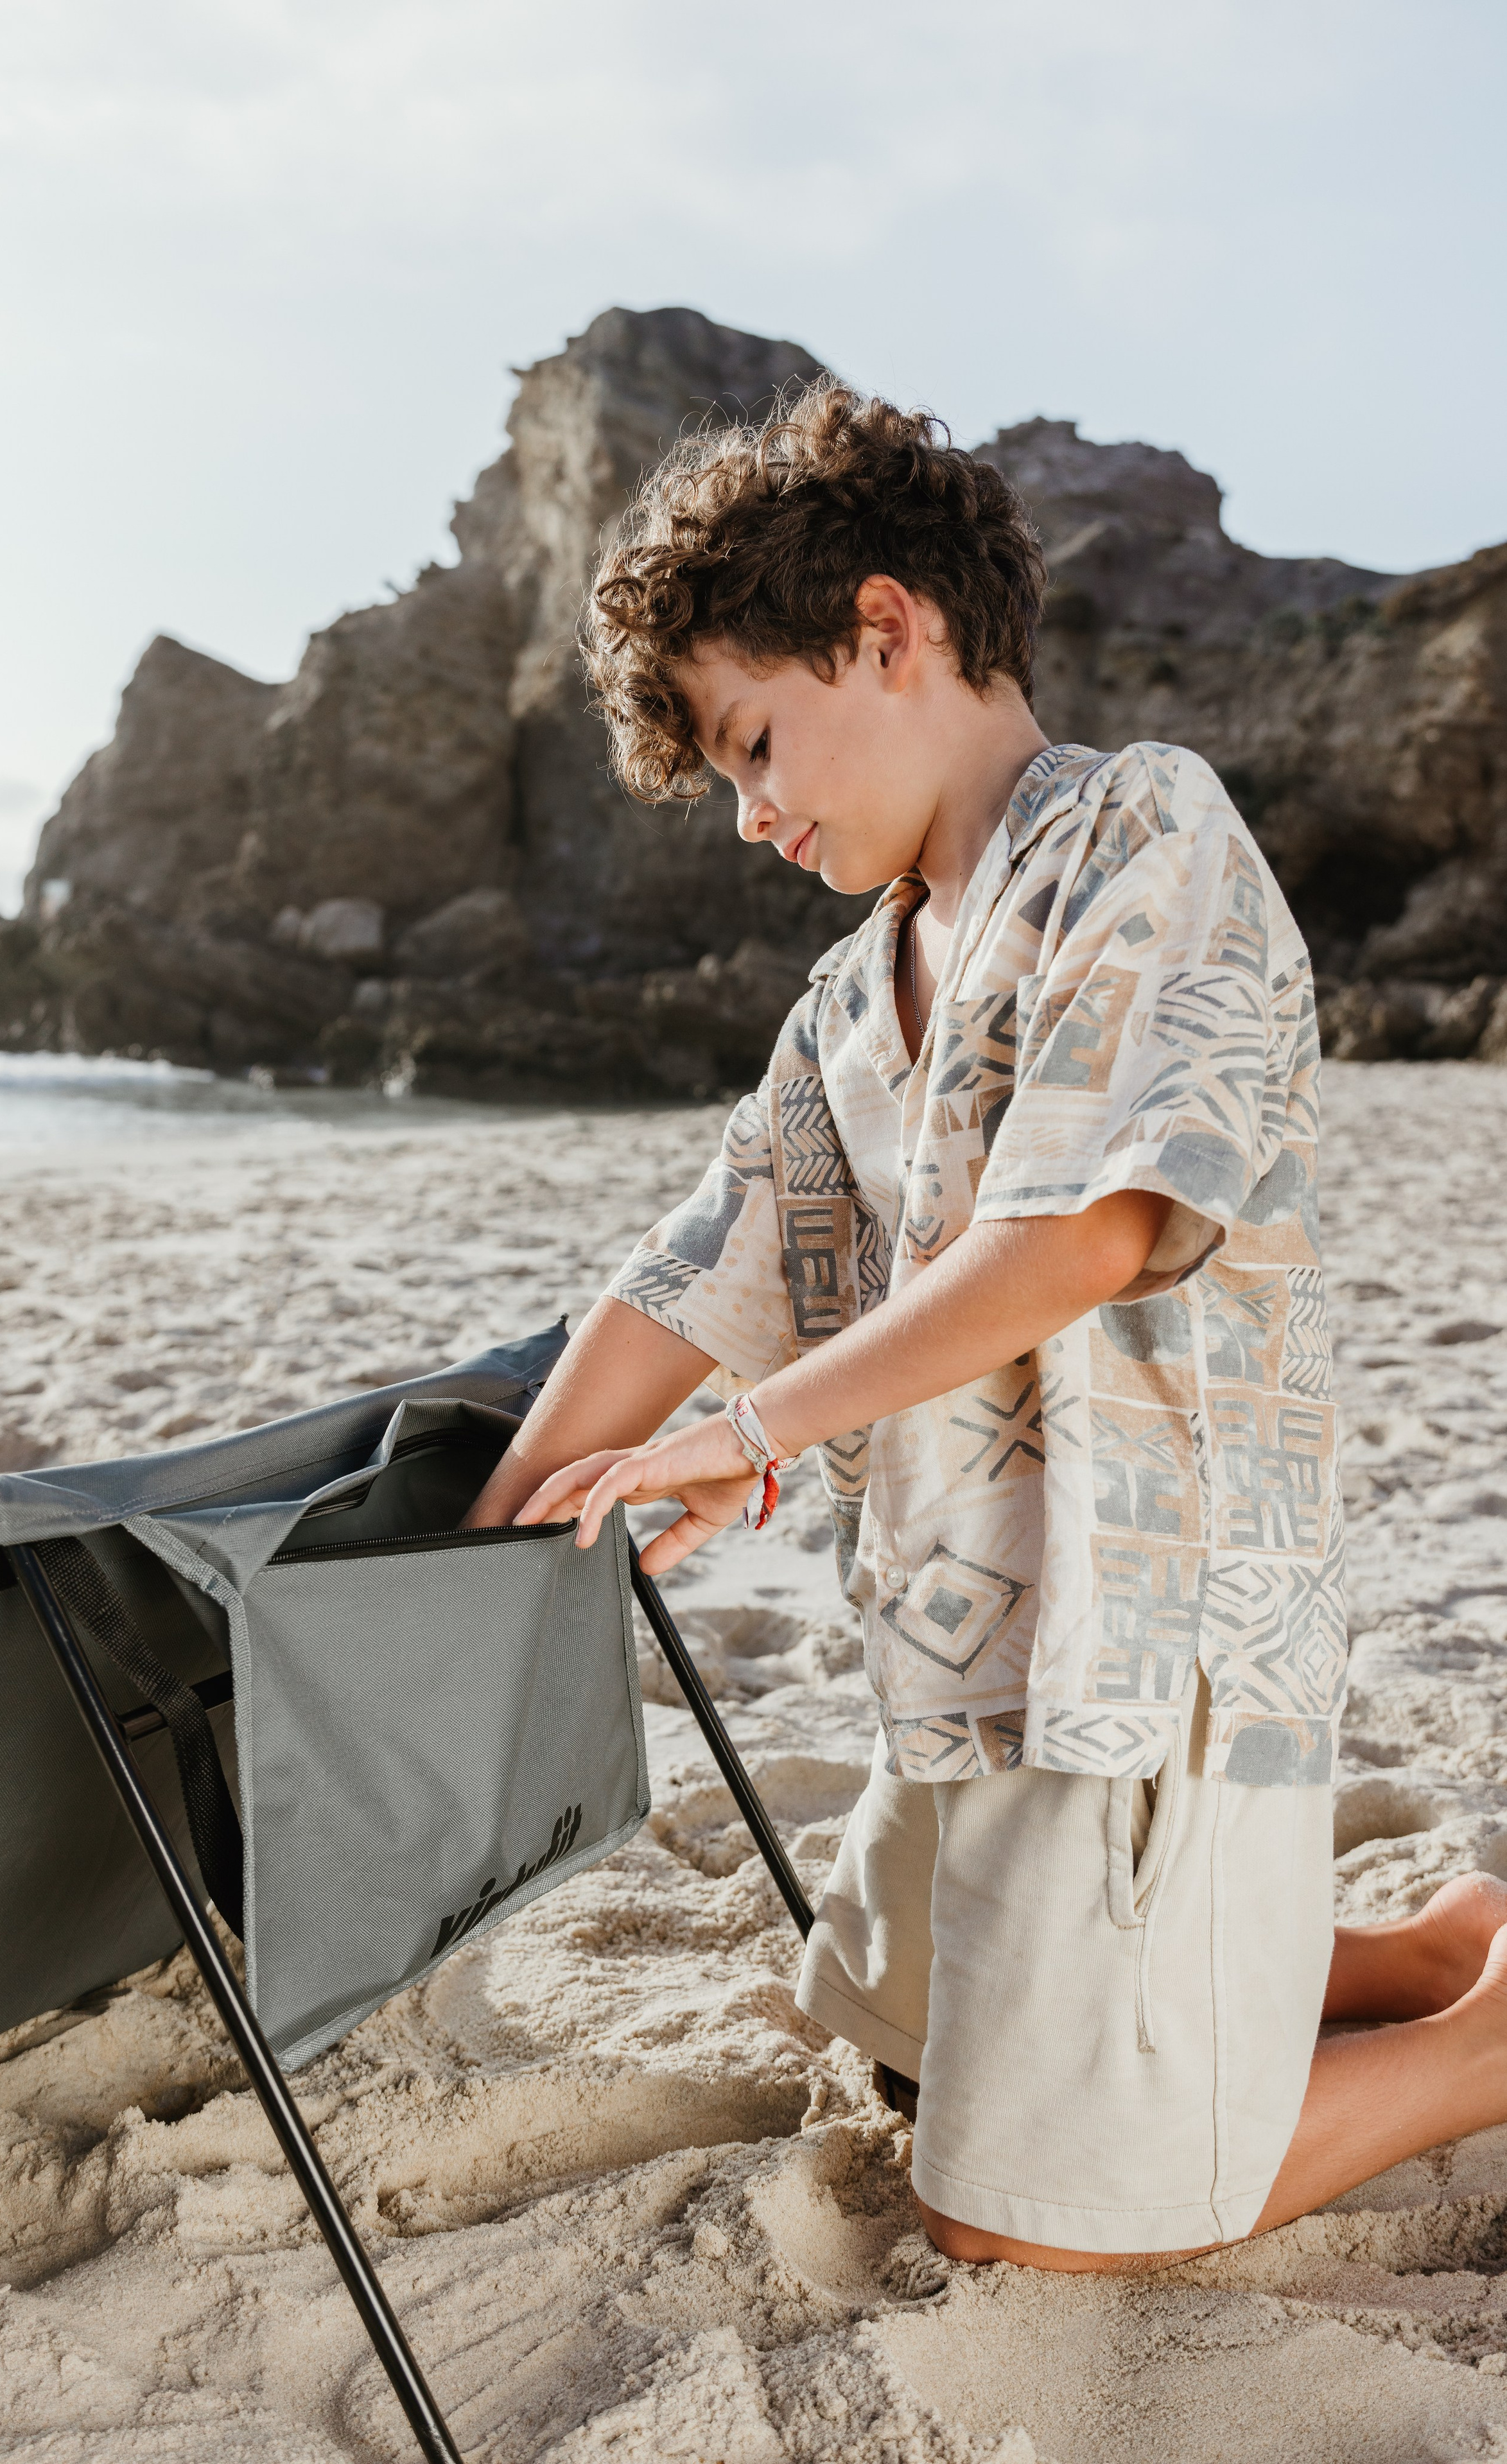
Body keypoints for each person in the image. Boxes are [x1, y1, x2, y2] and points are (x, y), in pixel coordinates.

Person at [463, 381, 1507, 2270]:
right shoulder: (847, 996)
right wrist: (488, 1546)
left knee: (1025, 2223)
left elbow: (1085, 1234)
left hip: (1147, 1649)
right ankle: (1398, 1947)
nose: (751, 815)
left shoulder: (1142, 828)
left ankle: (1483, 2035)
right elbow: (693, 1272)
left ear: (889, 628)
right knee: (894, 2044)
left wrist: (749, 1436)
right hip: (965, 1655)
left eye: (754, 744)